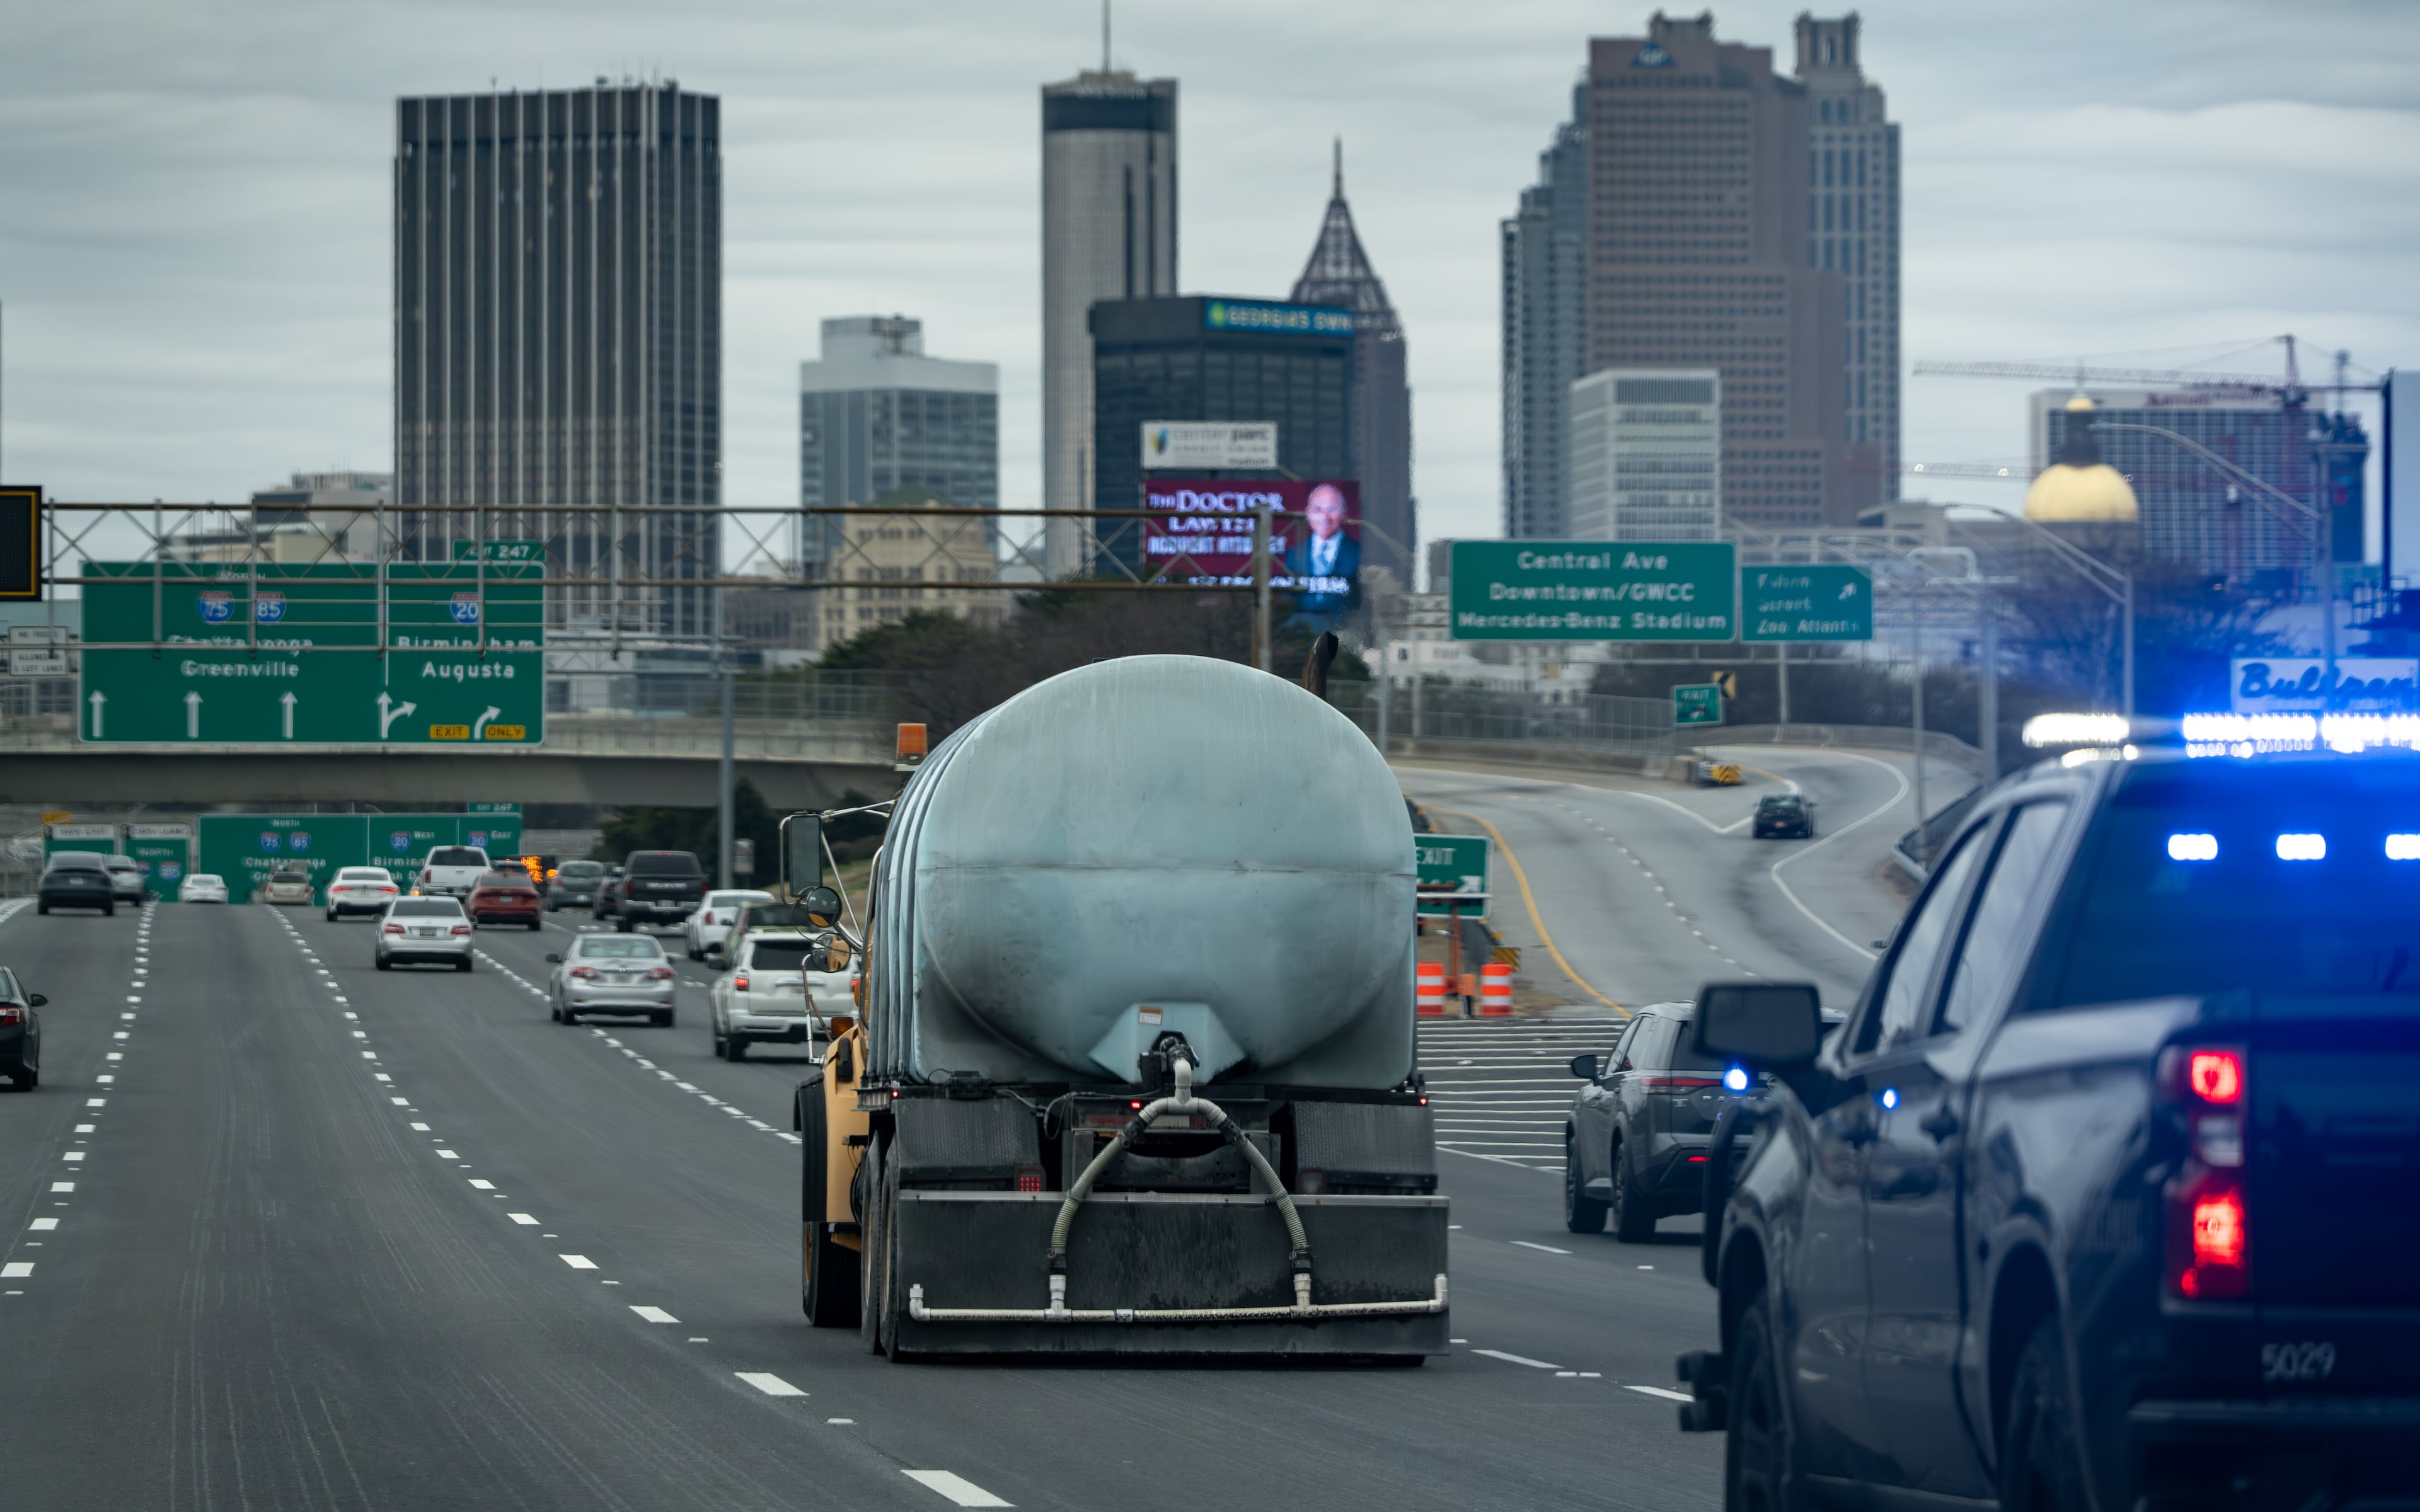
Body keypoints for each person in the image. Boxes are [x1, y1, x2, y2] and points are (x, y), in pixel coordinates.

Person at [1282, 484, 1359, 605]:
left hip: (1348, 623)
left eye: (1331, 509)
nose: (1325, 517)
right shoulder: (1292, 554)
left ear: (1344, 512)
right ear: (1307, 513)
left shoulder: (1359, 553)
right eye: (1318, 509)